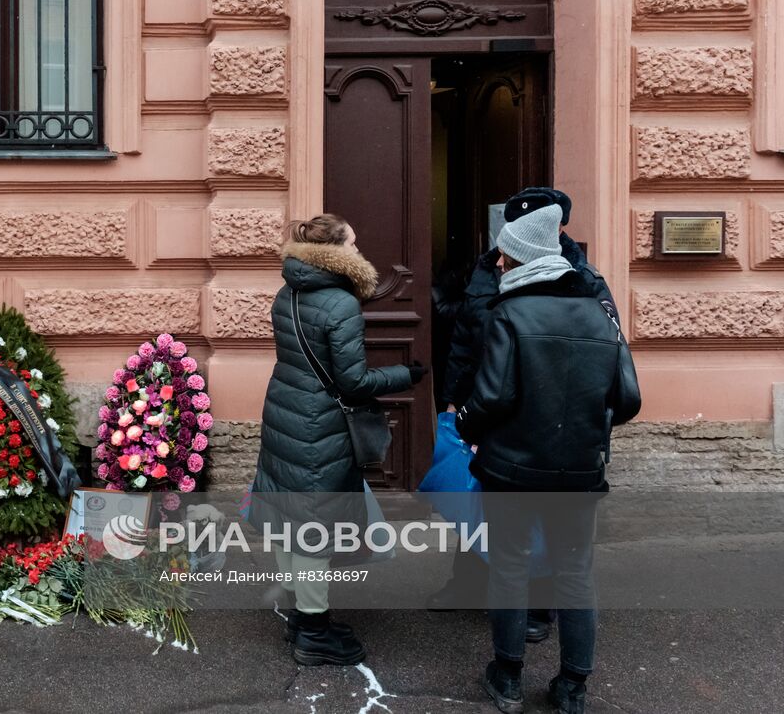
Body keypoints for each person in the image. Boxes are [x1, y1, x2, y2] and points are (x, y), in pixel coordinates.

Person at [454, 203, 641, 714]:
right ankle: (573, 687)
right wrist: (584, 429)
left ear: (521, 258)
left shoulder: (509, 313)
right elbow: (627, 399)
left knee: (510, 568)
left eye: (505, 255)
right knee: (576, 572)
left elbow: (491, 398)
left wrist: (465, 426)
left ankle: (508, 678)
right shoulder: (601, 311)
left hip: (511, 467)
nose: (498, 264)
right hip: (580, 469)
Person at [428, 187, 618, 643]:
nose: (504, 243)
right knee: (478, 497)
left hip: (548, 414)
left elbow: (604, 357)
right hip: (485, 399)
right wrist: (455, 399)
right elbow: (467, 336)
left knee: (534, 512)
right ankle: (469, 584)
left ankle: (536, 606)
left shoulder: (579, 276)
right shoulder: (489, 265)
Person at [249, 215, 425, 666]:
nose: (360, 245)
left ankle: (300, 616)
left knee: (292, 515)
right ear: (338, 251)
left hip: (286, 411)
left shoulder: (288, 291)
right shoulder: (339, 303)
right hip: (318, 425)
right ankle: (314, 632)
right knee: (314, 528)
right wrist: (406, 374)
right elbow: (351, 381)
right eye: (354, 239)